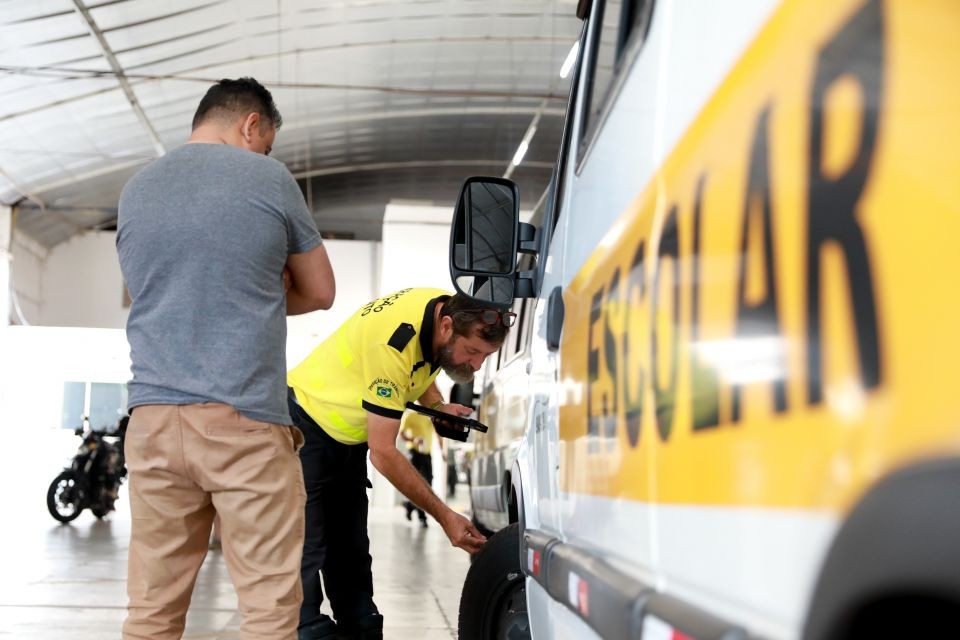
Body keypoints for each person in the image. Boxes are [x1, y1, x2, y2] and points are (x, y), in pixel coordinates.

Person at [116, 77, 336, 640]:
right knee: (266, 607)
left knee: (151, 608)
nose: (265, 154)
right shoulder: (268, 177)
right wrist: (261, 289)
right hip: (244, 421)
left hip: (153, 421)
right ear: (251, 125)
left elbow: (144, 294)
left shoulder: (136, 189)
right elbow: (320, 291)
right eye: (266, 143)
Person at [287, 287, 512, 640]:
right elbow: (384, 453)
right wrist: (445, 515)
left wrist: (437, 406)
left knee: (351, 555)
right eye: (473, 352)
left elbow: (420, 365)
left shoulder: (442, 311)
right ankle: (306, 628)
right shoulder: (393, 342)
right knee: (307, 550)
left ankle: (360, 628)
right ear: (448, 326)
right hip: (306, 425)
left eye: (486, 356)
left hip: (347, 437)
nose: (476, 364)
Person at [399, 410, 437, 526]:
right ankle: (422, 517)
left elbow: (437, 434)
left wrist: (442, 448)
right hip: (414, 453)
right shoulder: (410, 415)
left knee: (428, 485)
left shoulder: (431, 416)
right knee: (417, 485)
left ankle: (410, 505)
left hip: (427, 454)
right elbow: (401, 434)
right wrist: (413, 440)